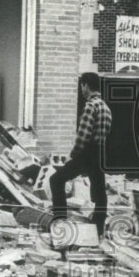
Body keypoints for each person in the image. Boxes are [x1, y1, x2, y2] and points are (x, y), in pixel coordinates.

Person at [49, 72, 112, 240]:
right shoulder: (106, 107)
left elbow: (83, 135)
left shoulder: (90, 106)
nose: (81, 89)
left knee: (56, 180)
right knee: (99, 191)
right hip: (100, 152)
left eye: (82, 86)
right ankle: (98, 229)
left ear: (85, 85)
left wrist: (73, 155)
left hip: (87, 153)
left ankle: (60, 222)